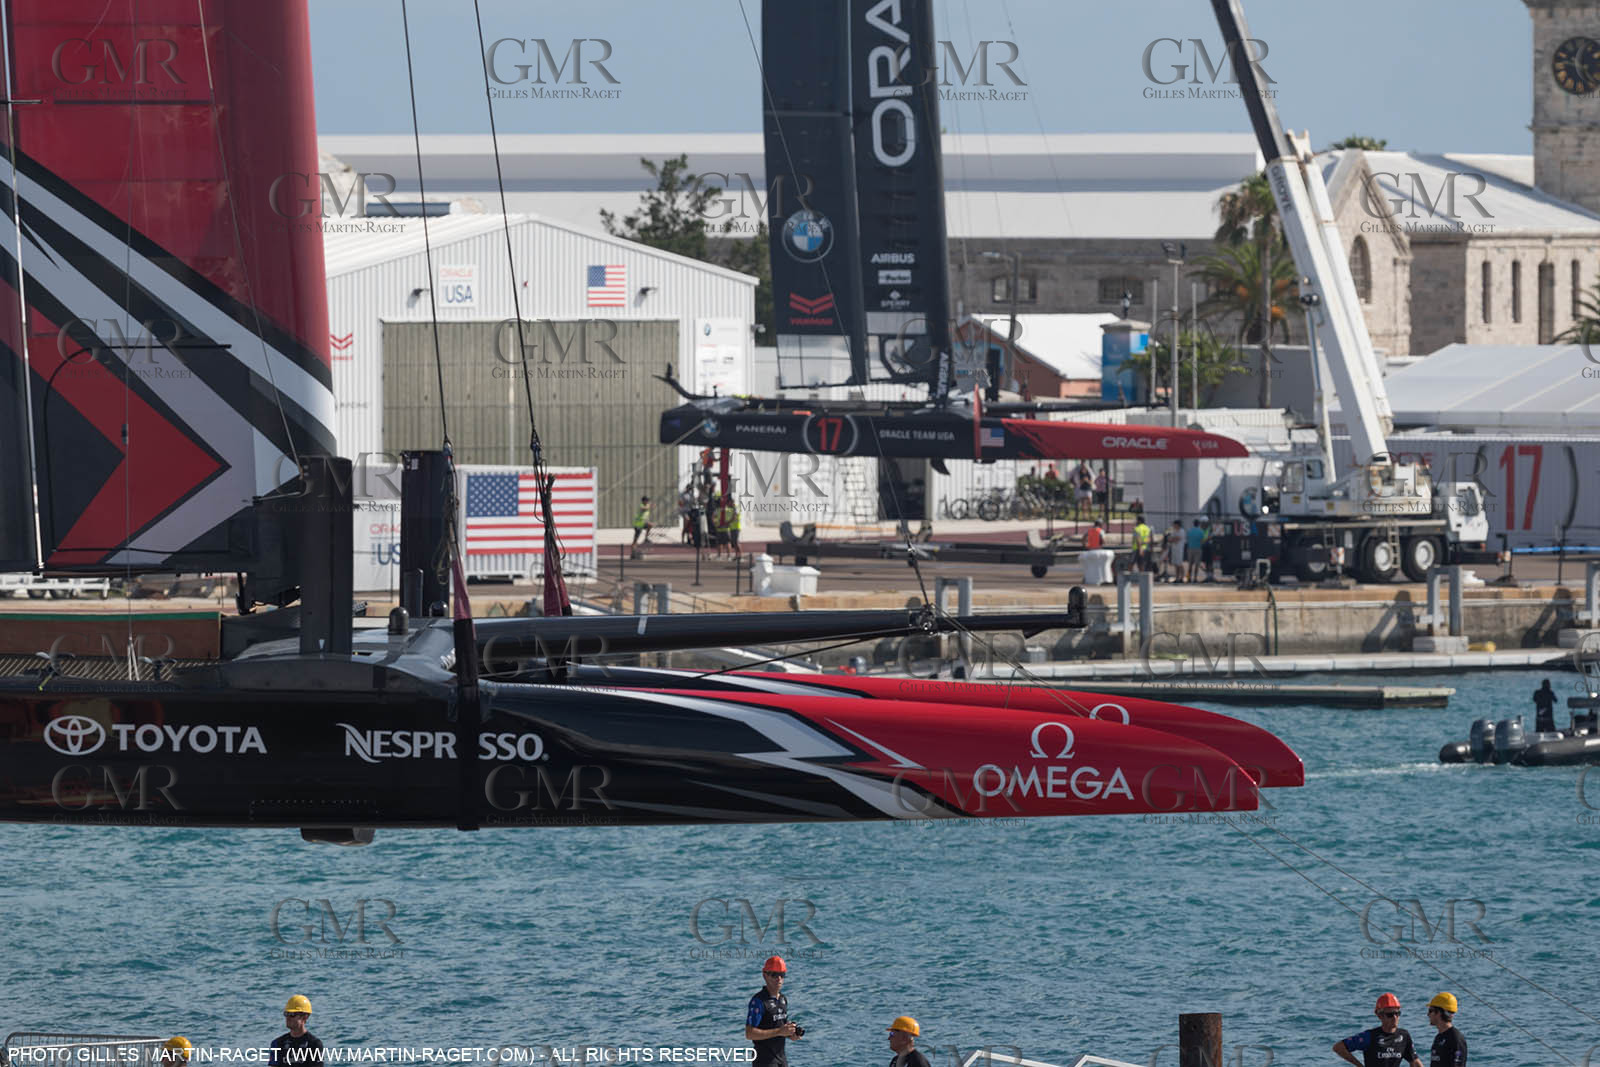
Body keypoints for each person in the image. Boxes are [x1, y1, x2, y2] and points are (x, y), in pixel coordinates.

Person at [1333, 993, 1422, 1067]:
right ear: (1379, 1015)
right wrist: (1359, 1065)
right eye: (1390, 1015)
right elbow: (1338, 1047)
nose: (1395, 1018)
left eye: (1397, 1013)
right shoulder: (1369, 1036)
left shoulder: (1404, 1036)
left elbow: (1415, 1062)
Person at [745, 956, 800, 1067]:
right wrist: (780, 1031)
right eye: (774, 975)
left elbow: (779, 1027)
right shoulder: (758, 1001)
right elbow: (749, 1033)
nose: (778, 979)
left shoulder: (783, 999)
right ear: (765, 975)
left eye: (782, 975)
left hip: (781, 1059)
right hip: (764, 1060)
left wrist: (790, 1034)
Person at [270, 995, 325, 1067]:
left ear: (305, 1017)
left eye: (292, 1014)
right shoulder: (278, 1043)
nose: (288, 1018)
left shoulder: (314, 1044)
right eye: (286, 1014)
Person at [1425, 993, 1466, 1067]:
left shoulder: (1455, 1038)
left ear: (1439, 1013)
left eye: (1430, 1011)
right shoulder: (1438, 1037)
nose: (1428, 1014)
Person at [1185, 518, 1206, 583]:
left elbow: (1187, 539)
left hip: (1190, 549)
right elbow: (1202, 541)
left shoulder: (1189, 531)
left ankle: (1188, 579)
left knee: (1190, 565)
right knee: (1197, 565)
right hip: (1198, 549)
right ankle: (1195, 578)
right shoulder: (1201, 531)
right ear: (1199, 524)